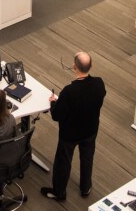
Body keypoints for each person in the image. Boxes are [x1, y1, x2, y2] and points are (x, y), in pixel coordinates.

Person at [42, 51, 106, 202]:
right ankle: (85, 187)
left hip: (70, 134)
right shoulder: (99, 83)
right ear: (91, 66)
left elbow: (56, 115)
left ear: (74, 67)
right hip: (90, 130)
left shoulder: (69, 92)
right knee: (87, 157)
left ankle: (59, 192)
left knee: (63, 161)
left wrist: (53, 102)